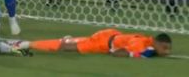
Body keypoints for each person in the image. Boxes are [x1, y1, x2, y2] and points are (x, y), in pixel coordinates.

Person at [13, 29, 172, 58]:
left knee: (75, 42)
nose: (166, 52)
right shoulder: (143, 45)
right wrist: (137, 55)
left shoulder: (147, 42)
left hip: (109, 35)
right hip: (103, 42)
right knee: (66, 48)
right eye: (165, 48)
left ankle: (69, 38)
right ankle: (26, 44)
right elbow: (116, 53)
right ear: (158, 43)